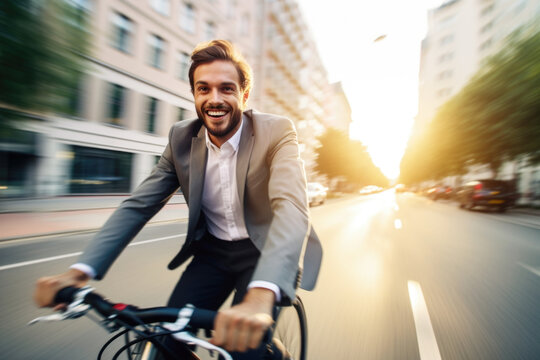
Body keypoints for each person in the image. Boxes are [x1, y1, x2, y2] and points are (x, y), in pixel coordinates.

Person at [33, 40, 322, 359]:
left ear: (244, 94)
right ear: (194, 94)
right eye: (204, 88)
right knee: (165, 342)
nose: (215, 99)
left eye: (226, 89)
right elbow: (138, 206)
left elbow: (291, 209)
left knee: (246, 348)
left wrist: (260, 294)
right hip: (213, 253)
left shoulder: (277, 131)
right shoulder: (181, 139)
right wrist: (80, 271)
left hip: (264, 251)